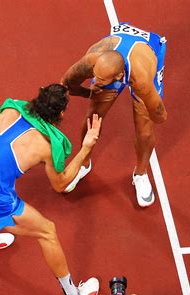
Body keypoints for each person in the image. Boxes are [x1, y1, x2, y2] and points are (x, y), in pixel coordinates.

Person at [0, 84, 102, 295]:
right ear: (61, 114)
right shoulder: (45, 146)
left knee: (1, 189)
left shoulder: (9, 111)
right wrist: (86, 148)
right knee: (48, 231)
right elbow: (61, 184)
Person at [61, 23, 168, 207]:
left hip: (147, 55)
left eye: (101, 80)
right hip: (115, 59)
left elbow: (160, 117)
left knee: (144, 131)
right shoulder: (93, 59)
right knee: (92, 117)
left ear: (119, 76)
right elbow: (67, 83)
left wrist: (143, 102)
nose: (97, 82)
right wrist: (90, 93)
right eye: (95, 77)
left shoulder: (141, 80)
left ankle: (140, 174)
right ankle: (84, 164)